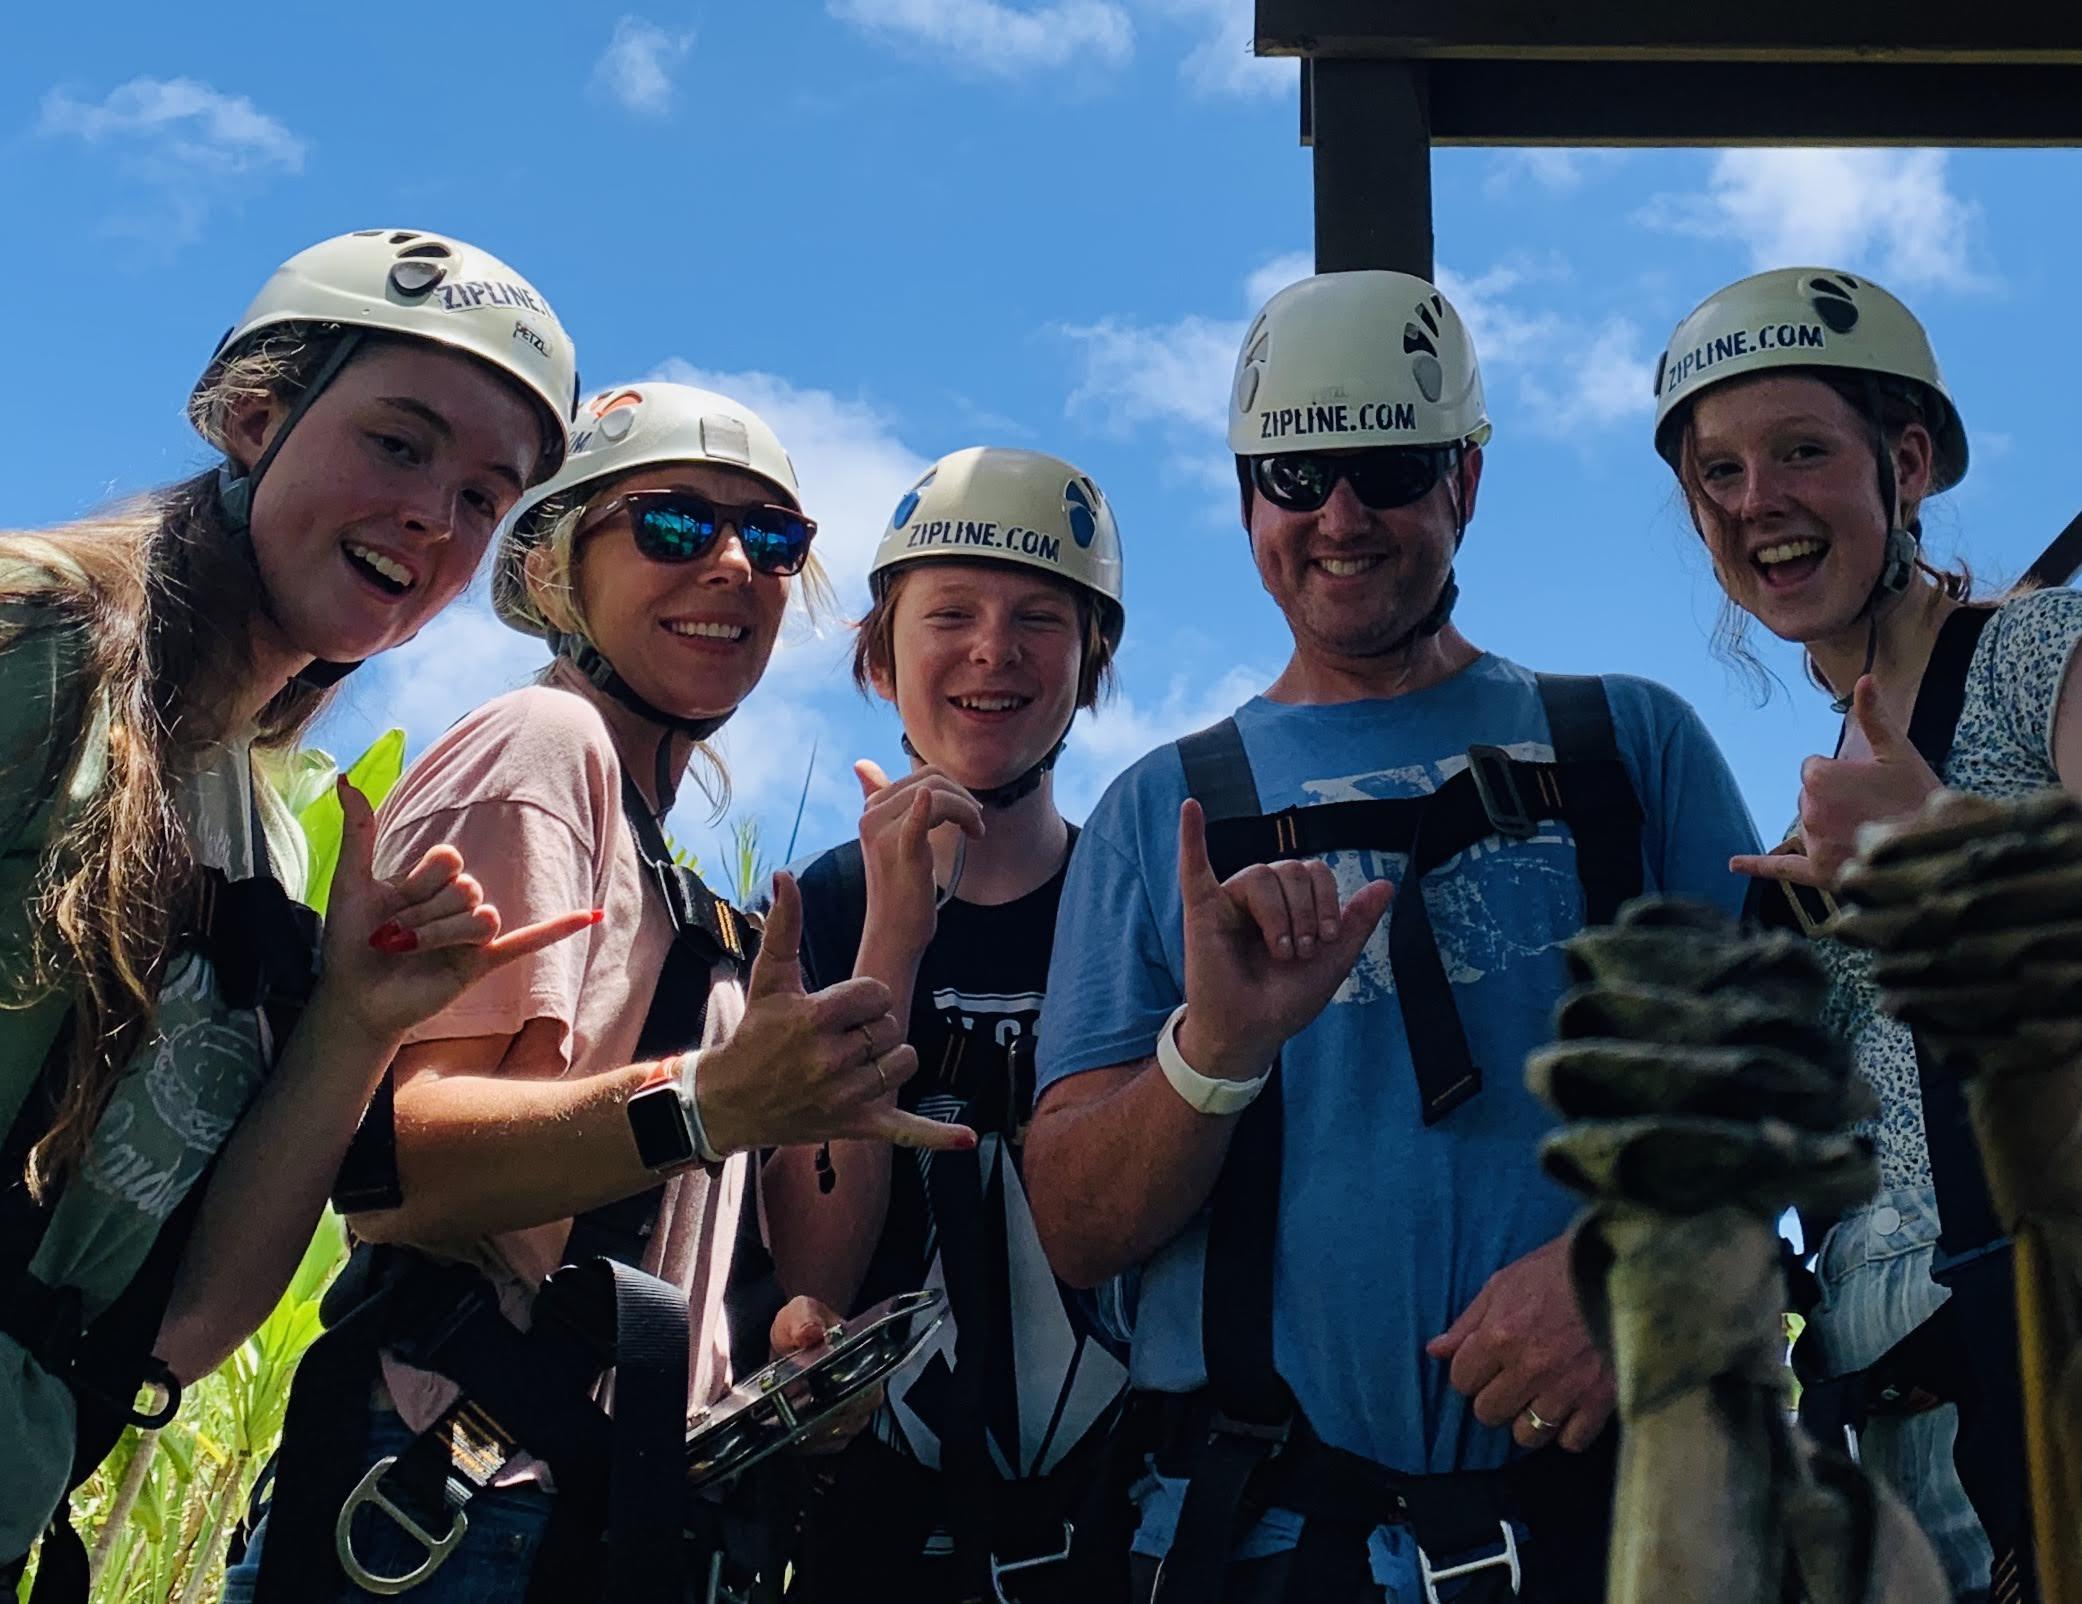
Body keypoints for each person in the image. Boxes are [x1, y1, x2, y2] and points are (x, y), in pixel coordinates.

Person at [1023, 269, 1762, 1602]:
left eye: (1388, 467)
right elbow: (1078, 1225)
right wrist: (1214, 1054)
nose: (1340, 516)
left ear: (1464, 482)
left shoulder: (1623, 751)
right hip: (1262, 1542)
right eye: (1295, 477)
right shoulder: (1165, 815)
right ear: (1248, 498)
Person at [227, 379, 975, 1604]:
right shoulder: (543, 746)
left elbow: (809, 1249)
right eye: (674, 524)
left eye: (774, 539)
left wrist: (894, 927)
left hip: (584, 1510)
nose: (733, 563)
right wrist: (701, 1102)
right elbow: (384, 1159)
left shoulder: (664, 864)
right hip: (452, 1508)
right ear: (564, 566)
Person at [0, 226, 599, 1598]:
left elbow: (185, 1325)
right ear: (255, 417)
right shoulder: (35, 644)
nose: (434, 520)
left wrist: (352, 1025)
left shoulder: (265, 836)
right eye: (398, 445)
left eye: (482, 498)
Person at [1652, 265, 2082, 1602]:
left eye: (1799, 453)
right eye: (1715, 473)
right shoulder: (1820, 800)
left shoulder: (2036, 656)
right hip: (1895, 1461)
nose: (1753, 502)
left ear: (1903, 466)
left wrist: (1943, 846)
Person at [768, 446, 1135, 1602]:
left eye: (1039, 617)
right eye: (952, 614)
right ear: (883, 655)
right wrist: (894, 937)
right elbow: (816, 1261)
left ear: (1090, 664)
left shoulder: (1132, 904)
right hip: (880, 1526)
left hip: (1117, 1510)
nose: (993, 649)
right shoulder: (819, 907)